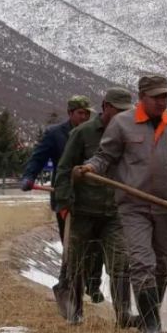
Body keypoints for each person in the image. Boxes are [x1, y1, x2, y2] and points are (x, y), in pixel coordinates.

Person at [74, 74, 167, 333]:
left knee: (162, 265)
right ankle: (150, 327)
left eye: (165, 96)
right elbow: (105, 157)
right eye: (156, 96)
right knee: (141, 263)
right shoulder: (122, 124)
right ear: (142, 98)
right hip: (133, 206)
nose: (162, 101)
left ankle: (151, 313)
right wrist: (89, 168)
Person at [54, 87, 137, 327]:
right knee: (77, 263)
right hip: (83, 211)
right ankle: (75, 312)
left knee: (121, 263)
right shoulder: (82, 133)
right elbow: (63, 169)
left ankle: (123, 315)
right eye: (118, 110)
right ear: (105, 107)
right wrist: (64, 201)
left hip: (114, 212)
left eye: (126, 111)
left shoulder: (129, 134)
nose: (123, 115)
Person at [20, 95, 105, 302]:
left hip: (93, 196)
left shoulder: (96, 134)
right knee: (72, 244)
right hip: (65, 196)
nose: (84, 117)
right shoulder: (55, 134)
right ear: (70, 113)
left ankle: (93, 284)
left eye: (87, 113)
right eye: (80, 113)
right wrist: (29, 176)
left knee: (97, 243)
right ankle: (68, 285)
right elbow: (38, 158)